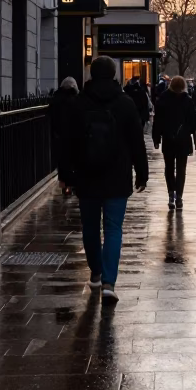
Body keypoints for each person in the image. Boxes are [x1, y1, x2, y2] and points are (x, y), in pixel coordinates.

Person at [60, 55, 148, 306]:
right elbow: (136, 142)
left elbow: (67, 142)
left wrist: (66, 175)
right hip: (117, 176)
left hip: (86, 176)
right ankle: (109, 282)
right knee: (113, 229)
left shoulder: (78, 104)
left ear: (91, 75)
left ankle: (96, 273)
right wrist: (142, 172)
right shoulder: (125, 103)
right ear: (113, 75)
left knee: (89, 228)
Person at [152, 75, 196, 210]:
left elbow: (158, 122)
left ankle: (171, 194)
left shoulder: (163, 99)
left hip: (168, 139)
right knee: (181, 169)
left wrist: (156, 139)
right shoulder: (187, 101)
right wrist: (187, 130)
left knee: (169, 167)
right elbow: (195, 121)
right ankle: (179, 196)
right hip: (183, 140)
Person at [49, 77, 78, 194]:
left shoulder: (56, 98)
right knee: (73, 160)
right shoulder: (76, 99)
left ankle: (63, 183)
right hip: (73, 135)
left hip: (60, 135)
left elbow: (51, 116)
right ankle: (72, 183)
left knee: (62, 160)